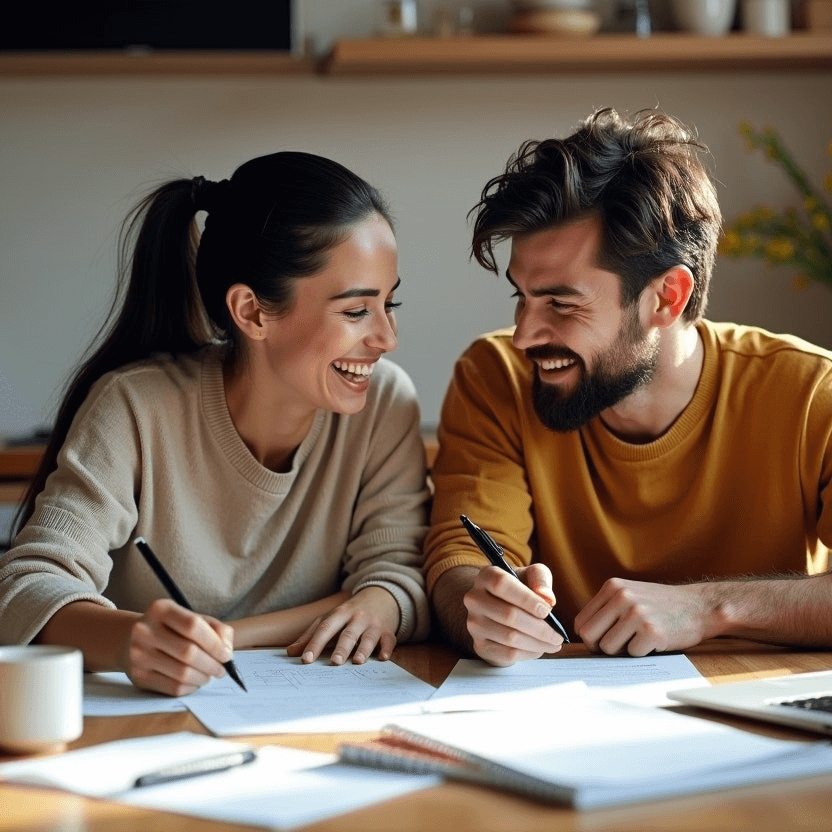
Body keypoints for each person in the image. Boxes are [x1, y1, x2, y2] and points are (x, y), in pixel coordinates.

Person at [0, 152, 430, 695]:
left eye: (391, 303)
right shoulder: (135, 407)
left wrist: (376, 601)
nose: (388, 338)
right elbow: (26, 587)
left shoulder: (385, 403)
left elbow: (396, 576)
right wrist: (132, 640)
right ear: (251, 311)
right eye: (356, 311)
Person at [425, 108, 832, 666]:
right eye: (522, 296)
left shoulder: (812, 394)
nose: (523, 335)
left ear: (666, 298)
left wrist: (709, 608)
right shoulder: (495, 377)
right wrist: (481, 607)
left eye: (560, 303)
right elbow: (459, 563)